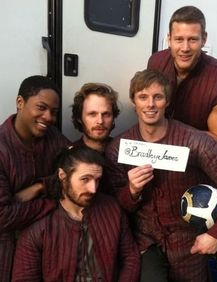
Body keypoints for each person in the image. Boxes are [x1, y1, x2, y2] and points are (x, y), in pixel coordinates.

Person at [105, 69, 217, 282]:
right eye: (143, 97)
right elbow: (116, 207)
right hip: (146, 243)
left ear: (167, 101)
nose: (150, 104)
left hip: (189, 244)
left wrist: (216, 235)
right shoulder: (119, 148)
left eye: (158, 97)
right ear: (133, 102)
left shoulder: (195, 142)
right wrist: (131, 191)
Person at [12, 146, 140, 282]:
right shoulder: (39, 224)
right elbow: (25, 277)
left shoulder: (112, 209)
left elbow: (130, 257)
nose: (93, 189)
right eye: (85, 179)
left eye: (97, 180)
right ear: (62, 176)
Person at [0, 75, 71, 281]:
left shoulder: (53, 137)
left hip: (44, 236)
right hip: (7, 242)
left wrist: (40, 187)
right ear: (20, 103)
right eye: (41, 107)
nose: (48, 117)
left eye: (54, 112)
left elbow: (77, 166)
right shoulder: (3, 149)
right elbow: (2, 216)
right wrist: (49, 203)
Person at [147, 5, 217, 150]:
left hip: (197, 161)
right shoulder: (156, 62)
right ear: (169, 39)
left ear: (204, 39)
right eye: (179, 39)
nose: (185, 48)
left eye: (193, 40)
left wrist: (172, 134)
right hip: (156, 151)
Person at [71, 82, 120, 153]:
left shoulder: (122, 151)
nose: (100, 121)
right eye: (92, 114)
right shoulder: (70, 156)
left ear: (113, 117)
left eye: (106, 114)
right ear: (79, 118)